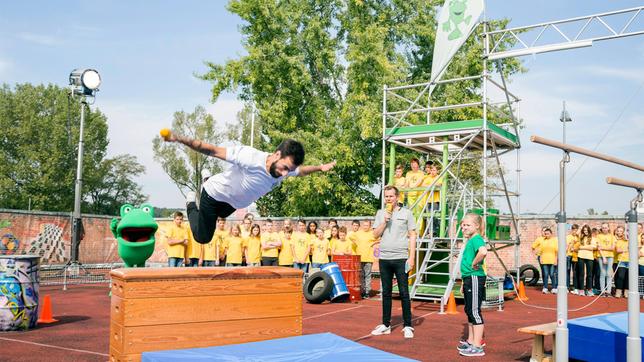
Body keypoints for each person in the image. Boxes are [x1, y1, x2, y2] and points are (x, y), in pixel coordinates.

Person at [162, 133, 335, 244]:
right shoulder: (249, 157)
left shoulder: (285, 170)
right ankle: (191, 201)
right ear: (276, 154)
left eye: (288, 171)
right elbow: (212, 150)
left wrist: (320, 168)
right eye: (284, 167)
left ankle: (207, 177)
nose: (284, 173)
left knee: (221, 216)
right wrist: (180, 138)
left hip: (233, 204)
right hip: (215, 195)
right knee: (202, 238)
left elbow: (301, 171)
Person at [370, 185, 416, 339]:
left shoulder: (407, 213)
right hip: (385, 258)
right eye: (386, 196)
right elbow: (375, 234)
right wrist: (384, 221)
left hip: (401, 257)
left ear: (397, 197)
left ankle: (408, 325)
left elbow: (413, 235)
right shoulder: (380, 213)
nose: (389, 199)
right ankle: (386, 324)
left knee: (404, 292)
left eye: (391, 196)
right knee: (386, 292)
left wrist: (412, 257)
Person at [457, 213, 488, 357]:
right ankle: (471, 341)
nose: (464, 227)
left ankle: (477, 346)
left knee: (474, 312)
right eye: (463, 225)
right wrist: (464, 281)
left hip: (475, 277)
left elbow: (483, 251)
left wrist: (474, 263)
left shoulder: (476, 239)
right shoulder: (470, 240)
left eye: (467, 225)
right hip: (469, 278)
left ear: (476, 226)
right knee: (469, 310)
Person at [352, 219, 378, 299]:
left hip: (368, 258)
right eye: (364, 225)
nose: (365, 227)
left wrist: (373, 243)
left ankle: (367, 292)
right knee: (361, 275)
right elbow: (349, 237)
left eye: (367, 225)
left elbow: (379, 239)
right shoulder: (358, 233)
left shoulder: (372, 234)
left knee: (367, 275)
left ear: (370, 226)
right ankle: (362, 291)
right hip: (359, 258)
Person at [576, 225, 596, 296]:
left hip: (589, 257)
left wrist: (582, 247)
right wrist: (581, 226)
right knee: (581, 274)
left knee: (589, 274)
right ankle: (581, 290)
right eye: (584, 230)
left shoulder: (592, 238)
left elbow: (593, 247)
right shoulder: (581, 237)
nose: (585, 232)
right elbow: (577, 232)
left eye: (587, 230)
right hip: (581, 256)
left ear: (589, 231)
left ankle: (589, 290)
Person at [596, 223, 616, 297]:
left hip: (610, 256)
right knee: (602, 273)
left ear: (608, 228)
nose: (604, 229)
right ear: (601, 228)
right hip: (601, 256)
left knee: (608, 274)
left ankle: (609, 291)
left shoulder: (612, 237)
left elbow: (612, 248)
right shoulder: (598, 236)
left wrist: (603, 247)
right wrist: (603, 257)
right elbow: (598, 248)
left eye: (605, 227)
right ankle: (602, 291)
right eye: (603, 227)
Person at [539, 228, 558, 294]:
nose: (546, 235)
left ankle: (554, 288)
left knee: (552, 274)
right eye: (545, 234)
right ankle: (545, 288)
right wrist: (541, 259)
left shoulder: (554, 241)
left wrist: (556, 260)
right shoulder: (543, 241)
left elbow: (556, 252)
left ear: (551, 234)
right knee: (546, 274)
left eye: (548, 234)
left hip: (552, 260)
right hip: (544, 260)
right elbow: (540, 251)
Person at [614, 226, 629, 298]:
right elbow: (618, 250)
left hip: (630, 261)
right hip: (621, 260)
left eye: (621, 231)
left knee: (627, 277)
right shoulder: (618, 241)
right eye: (618, 231)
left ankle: (626, 292)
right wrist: (626, 250)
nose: (620, 233)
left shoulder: (630, 241)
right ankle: (618, 292)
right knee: (620, 277)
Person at [565, 224, 580, 291]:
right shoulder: (568, 237)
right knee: (567, 271)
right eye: (573, 230)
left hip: (575, 256)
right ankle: (567, 287)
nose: (575, 231)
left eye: (576, 230)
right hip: (568, 256)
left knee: (575, 272)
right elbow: (566, 246)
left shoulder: (579, 237)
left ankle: (575, 287)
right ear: (571, 230)